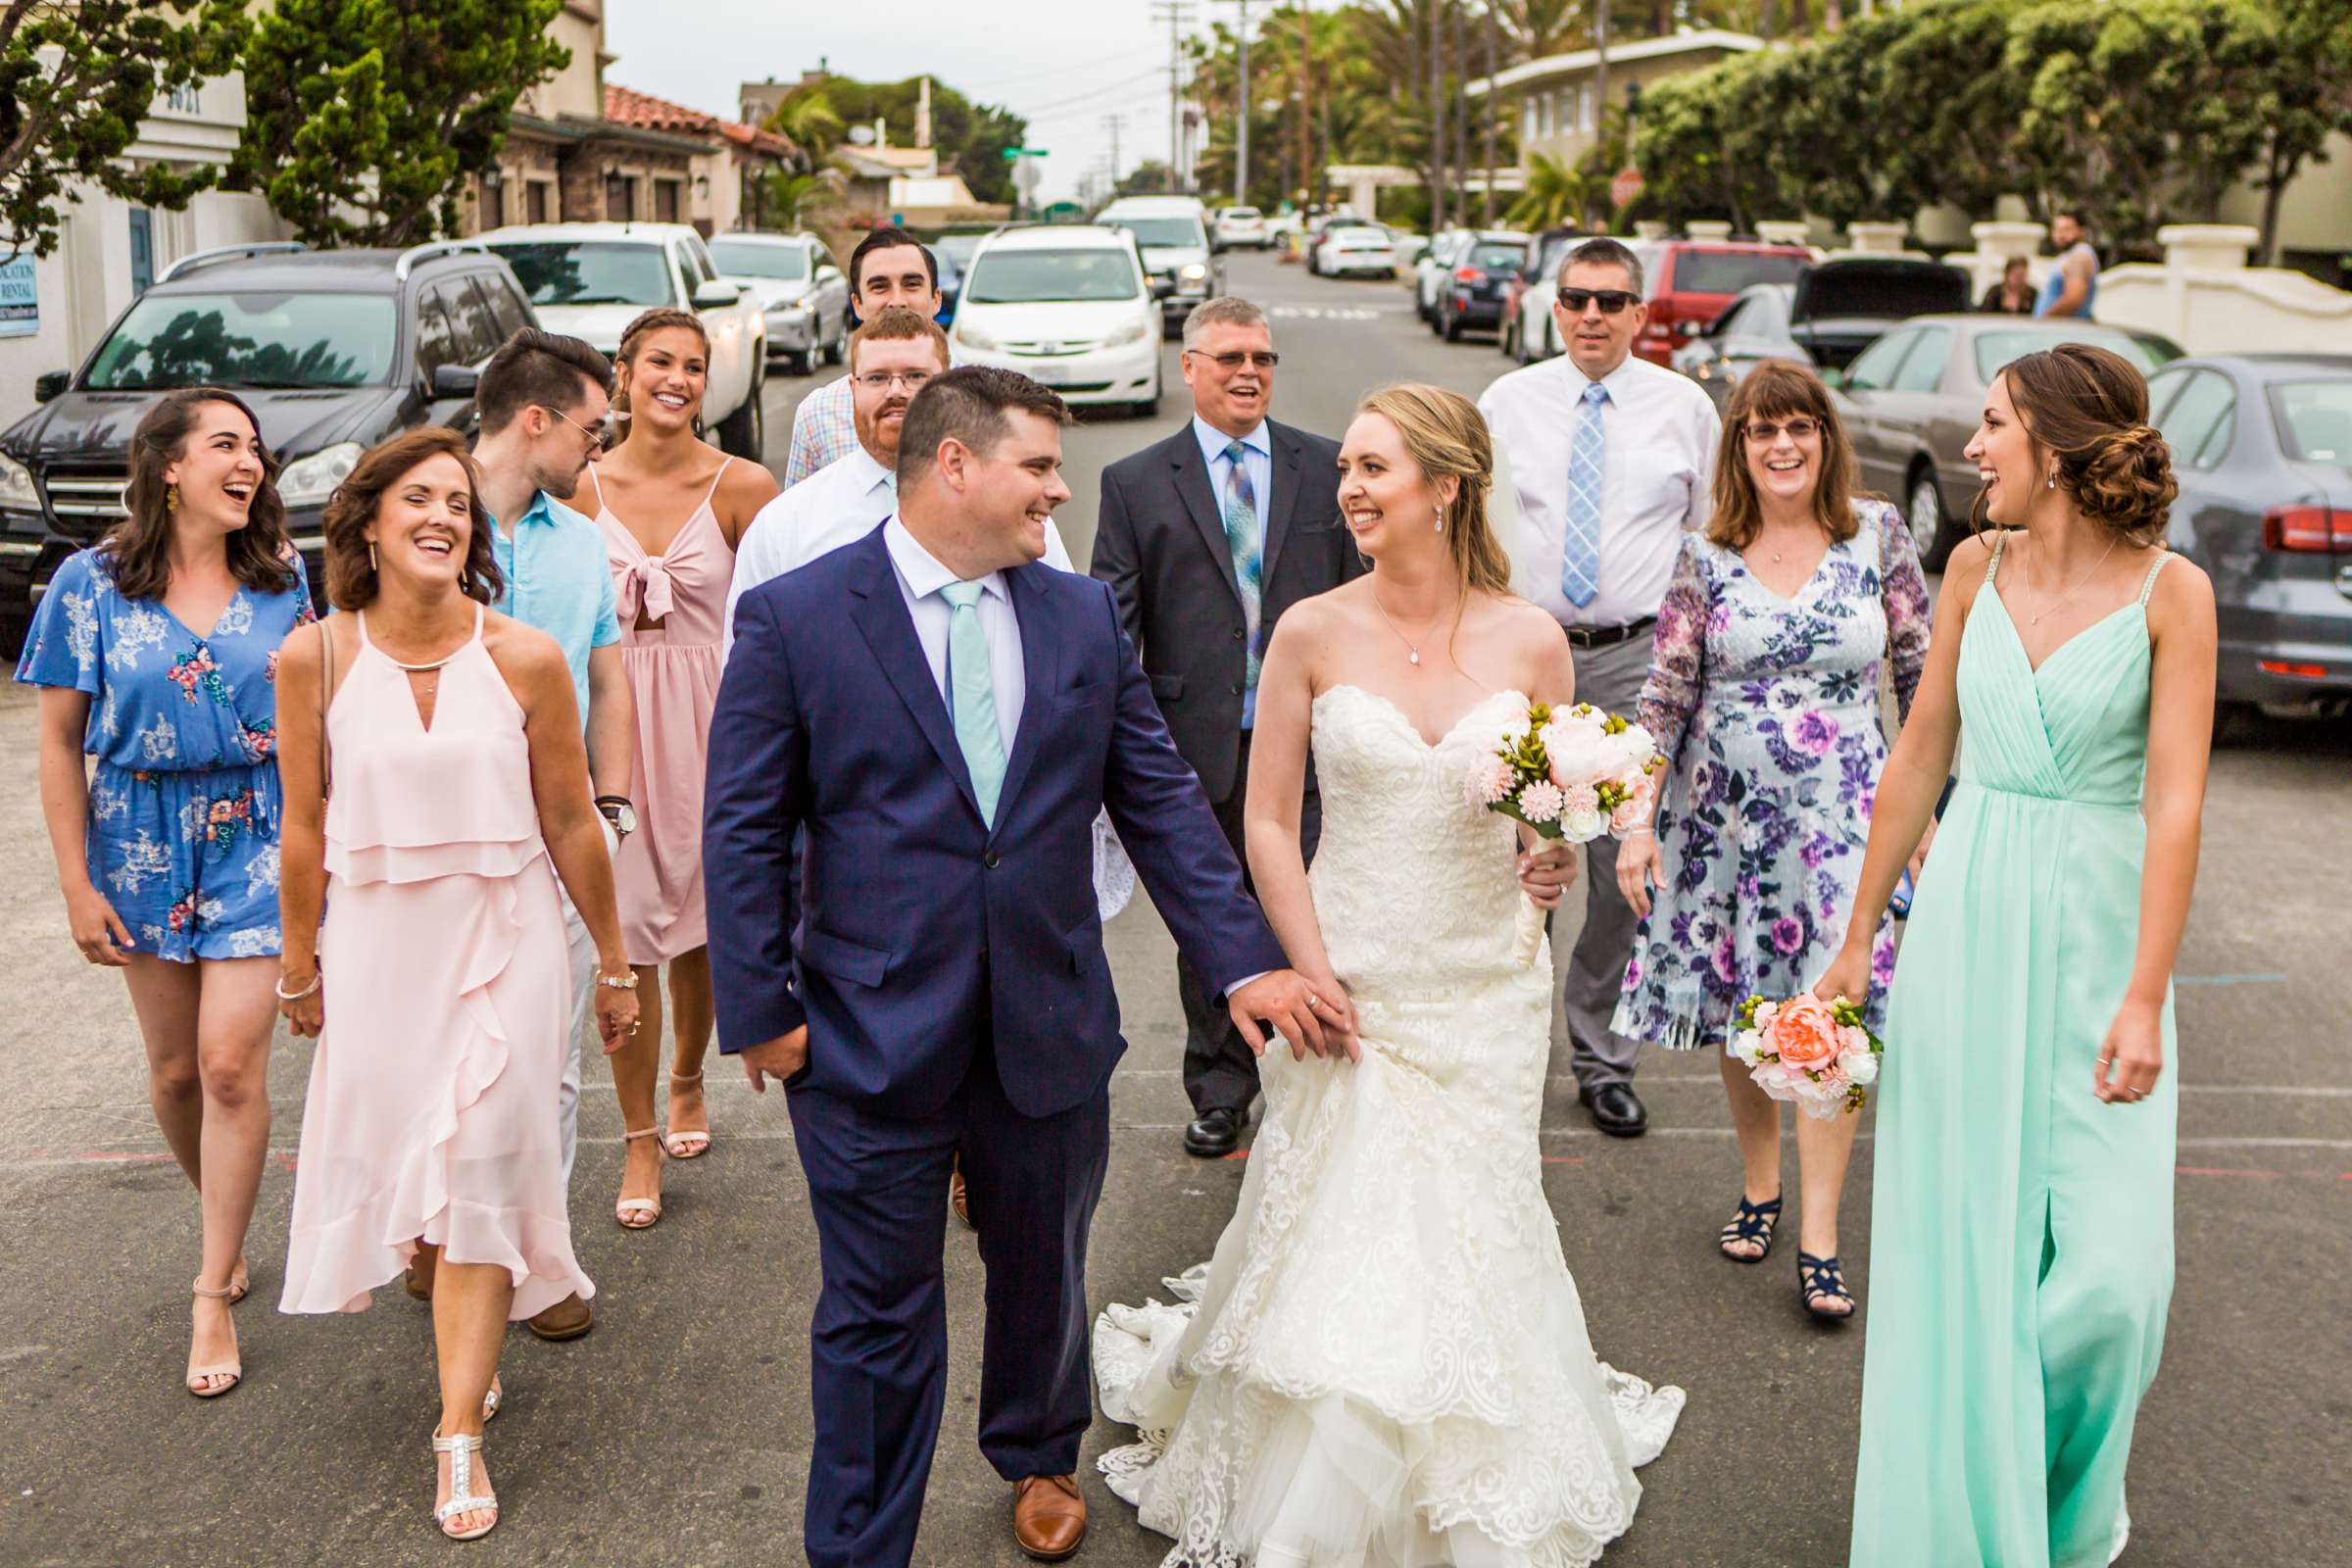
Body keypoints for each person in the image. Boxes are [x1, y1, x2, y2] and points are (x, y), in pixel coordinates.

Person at [705, 366, 1334, 1568]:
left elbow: (1156, 802)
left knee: (1043, 1269)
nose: (1059, 489)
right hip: (862, 1033)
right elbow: (742, 823)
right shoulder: (797, 615)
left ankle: (1037, 1448)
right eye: (1039, 465)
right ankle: (858, 1542)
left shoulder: (1076, 615)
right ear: (955, 464)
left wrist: (1243, 964)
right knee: (876, 1315)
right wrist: (759, 1008)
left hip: (1047, 1020)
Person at [1094, 383, 1684, 1566]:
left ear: (1445, 486)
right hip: (1352, 967)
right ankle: (1323, 1481)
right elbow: (1267, 823)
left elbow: (1540, 813)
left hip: (1486, 980)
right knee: (1344, 1226)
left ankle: (1468, 1465)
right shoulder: (1310, 629)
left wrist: (1549, 857)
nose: (1350, 487)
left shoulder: (1531, 639)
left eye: (1375, 468)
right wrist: (1306, 970)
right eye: (1350, 467)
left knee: (1468, 1225)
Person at [1814, 343, 2214, 1565]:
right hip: (1969, 917)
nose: (1972, 448)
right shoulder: (1972, 566)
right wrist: (1852, 945)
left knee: (2109, 1285)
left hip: (2100, 937)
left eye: (1993, 427)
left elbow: (2178, 805)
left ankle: (2061, 1505)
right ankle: (1959, 1514)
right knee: (1963, 1245)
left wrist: (2146, 996)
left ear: (2055, 447)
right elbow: (1920, 753)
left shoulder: (2171, 593)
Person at [273, 426, 637, 1542]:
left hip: (507, 934)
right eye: (418, 499)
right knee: (417, 1190)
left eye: (458, 504)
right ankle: (483, 1302)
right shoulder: (314, 658)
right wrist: (298, 965)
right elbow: (303, 826)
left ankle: (457, 1432)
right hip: (383, 947)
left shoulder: (524, 655)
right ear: (368, 522)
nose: (442, 517)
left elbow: (573, 821)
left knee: (477, 1159)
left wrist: (615, 961)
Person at [1612, 362, 1933, 1319]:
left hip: (1847, 820)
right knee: (1747, 1010)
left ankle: (1821, 1232)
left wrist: (1928, 822)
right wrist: (1636, 822)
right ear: (1739, 449)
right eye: (1762, 432)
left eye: (1800, 427)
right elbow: (1664, 694)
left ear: (1826, 439)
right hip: (1723, 820)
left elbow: (1923, 682)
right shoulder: (1704, 555)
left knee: (1833, 1011)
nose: (1783, 446)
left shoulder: (1877, 535)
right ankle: (1760, 1183)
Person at [17, 388, 312, 1397]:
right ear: (168, 467)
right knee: (177, 1072)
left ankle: (209, 1287)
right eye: (226, 444)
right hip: (136, 835)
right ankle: (222, 1216)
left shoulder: (283, 577)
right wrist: (74, 882)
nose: (252, 464)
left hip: (256, 832)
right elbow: (58, 742)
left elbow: (317, 721)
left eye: (257, 450)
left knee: (231, 1066)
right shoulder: (88, 584)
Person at [399, 328, 635, 1343]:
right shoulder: (410, 525)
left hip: (561, 838)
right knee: (430, 1050)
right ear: (535, 419)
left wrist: (615, 808)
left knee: (549, 1056)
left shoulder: (584, 537)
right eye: (593, 426)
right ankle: (432, 1235)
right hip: (433, 847)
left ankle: (540, 1257)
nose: (602, 444)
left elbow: (607, 674)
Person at [1092, 295, 1365, 1159]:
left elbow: (1366, 598)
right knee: (1212, 919)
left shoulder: (1327, 468)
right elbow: (1115, 624)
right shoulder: (1136, 482)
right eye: (1229, 359)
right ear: (1190, 366)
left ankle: (1312, 1079)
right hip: (1195, 740)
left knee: (1314, 910)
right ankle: (1219, 1089)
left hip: (1314, 740)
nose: (1249, 373)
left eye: (1262, 359)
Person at [1479, 235, 1721, 1139]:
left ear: (1639, 315)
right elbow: (1473, 525)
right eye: (1577, 298)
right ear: (1555, 305)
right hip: (1525, 655)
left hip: (1636, 659)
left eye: (1612, 301)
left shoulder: (1684, 408)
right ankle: (1506, 1056)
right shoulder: (1507, 402)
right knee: (1517, 863)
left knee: (1624, 871)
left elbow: (1705, 543)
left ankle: (1601, 1057)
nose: (1592, 315)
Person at [587, 307, 777, 1224]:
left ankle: (689, 1079)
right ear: (622, 374)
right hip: (614, 732)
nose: (678, 379)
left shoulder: (743, 487)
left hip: (716, 726)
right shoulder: (577, 492)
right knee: (624, 932)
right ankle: (636, 1143)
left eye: (695, 367)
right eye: (660, 361)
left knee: (700, 920)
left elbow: (783, 622)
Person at [727, 305, 1073, 662]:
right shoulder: (786, 525)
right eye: (877, 378)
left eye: (915, 377)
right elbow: (749, 671)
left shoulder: (1011, 515)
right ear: (852, 388)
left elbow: (1065, 631)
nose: (897, 391)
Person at [778, 227, 943, 486]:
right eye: (880, 287)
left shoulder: (985, 404)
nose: (897, 301)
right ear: (856, 304)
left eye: (912, 284)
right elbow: (799, 518)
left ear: (936, 299)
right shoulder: (818, 415)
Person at [2034, 211, 2100, 319]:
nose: (2060, 235)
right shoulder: (2068, 256)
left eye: (2067, 229)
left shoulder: (2080, 256)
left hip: (2063, 331)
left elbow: (2073, 299)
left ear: (2081, 231)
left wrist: (2043, 321)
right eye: (2057, 229)